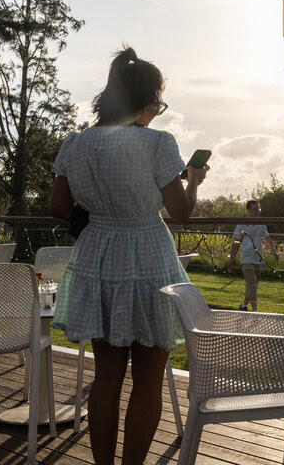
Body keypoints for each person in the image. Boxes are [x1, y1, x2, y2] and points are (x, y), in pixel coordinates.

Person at [49, 46, 208, 465]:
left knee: (106, 378)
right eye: (157, 102)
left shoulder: (77, 143)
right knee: (149, 378)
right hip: (150, 259)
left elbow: (59, 209)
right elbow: (180, 213)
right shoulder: (159, 143)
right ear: (144, 101)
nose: (157, 111)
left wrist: (101, 205)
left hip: (98, 256)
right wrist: (192, 181)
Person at [226, 200, 278, 311]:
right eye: (255, 209)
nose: (257, 211)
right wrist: (231, 260)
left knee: (252, 287)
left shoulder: (261, 223)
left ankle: (244, 305)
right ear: (248, 210)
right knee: (252, 285)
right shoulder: (241, 224)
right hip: (246, 259)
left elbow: (267, 238)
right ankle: (255, 311)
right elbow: (236, 243)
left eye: (258, 208)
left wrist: (274, 252)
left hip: (259, 259)